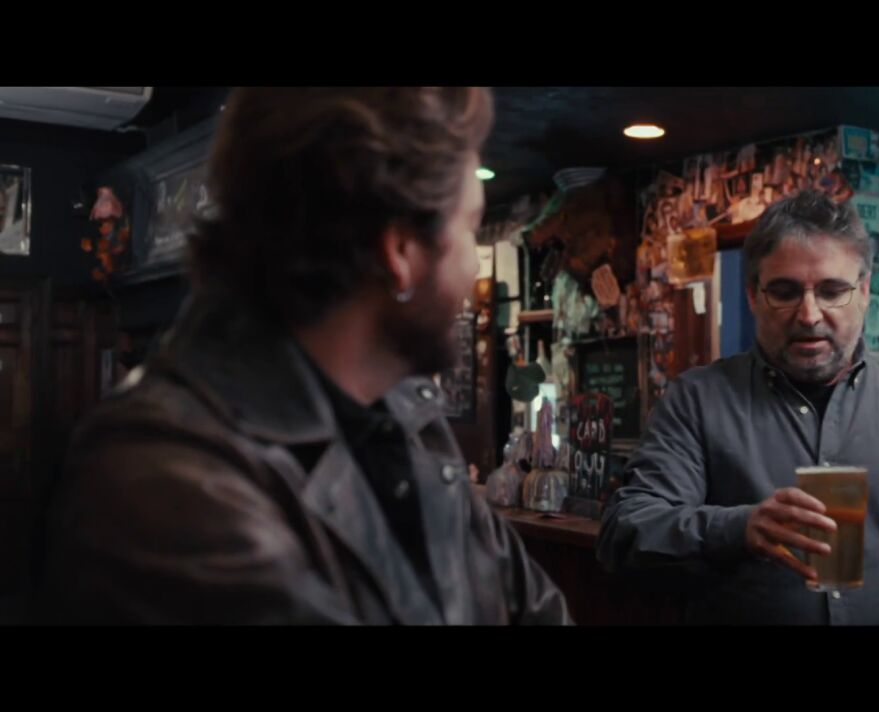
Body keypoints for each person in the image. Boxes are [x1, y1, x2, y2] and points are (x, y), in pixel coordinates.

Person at [39, 87, 572, 625]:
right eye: (469, 228)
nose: (472, 266)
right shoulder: (169, 482)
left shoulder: (408, 420)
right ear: (400, 252)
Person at [597, 189, 879, 625]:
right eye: (784, 292)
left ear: (864, 291)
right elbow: (624, 531)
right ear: (752, 295)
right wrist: (738, 529)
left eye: (832, 290)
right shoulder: (697, 401)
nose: (808, 314)